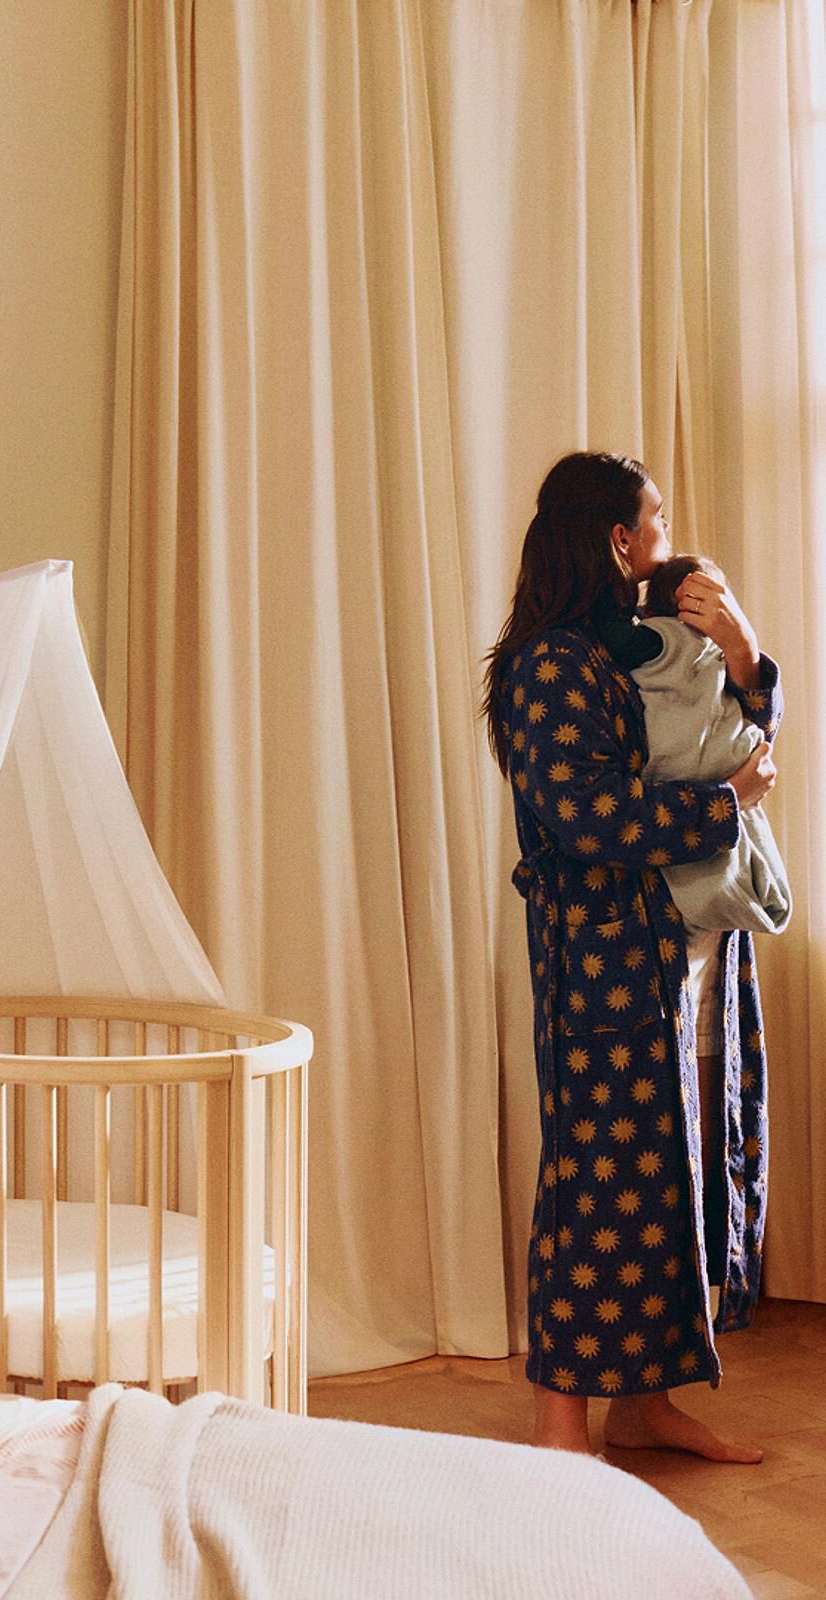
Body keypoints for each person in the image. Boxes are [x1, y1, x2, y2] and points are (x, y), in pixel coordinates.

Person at [482, 452, 780, 1461]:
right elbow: (586, 817)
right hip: (606, 955)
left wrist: (742, 653)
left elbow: (732, 740)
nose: (668, 534)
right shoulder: (553, 665)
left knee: (675, 1180)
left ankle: (643, 1403)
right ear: (618, 540)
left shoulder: (647, 644)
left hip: (688, 954)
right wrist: (725, 806)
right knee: (597, 1180)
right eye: (655, 520)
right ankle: (557, 1420)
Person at [593, 553, 791, 939]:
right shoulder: (711, 650)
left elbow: (612, 632)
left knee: (710, 865)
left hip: (688, 773)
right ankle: (764, 894)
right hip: (729, 761)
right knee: (746, 835)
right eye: (658, 515)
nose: (665, 524)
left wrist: (609, 595)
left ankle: (737, 895)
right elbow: (760, 719)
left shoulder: (660, 642)